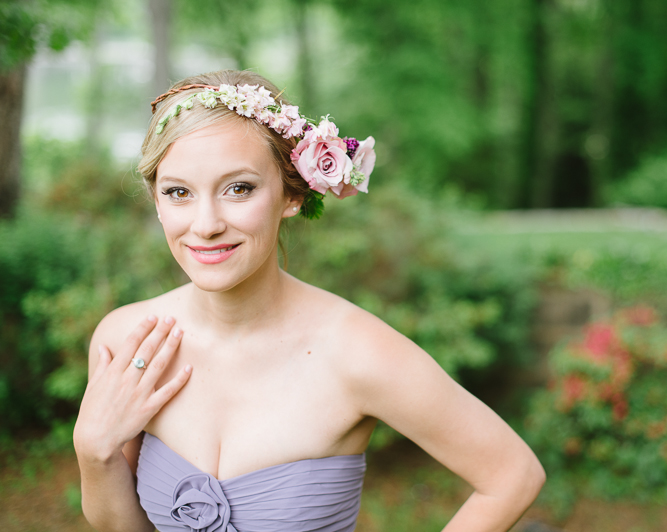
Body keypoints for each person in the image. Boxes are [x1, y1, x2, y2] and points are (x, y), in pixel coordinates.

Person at [73, 69, 545, 532]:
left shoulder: (358, 352)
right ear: (157, 203)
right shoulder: (126, 342)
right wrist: (93, 454)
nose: (206, 223)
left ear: (291, 194)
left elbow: (512, 476)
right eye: (179, 192)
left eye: (239, 188)